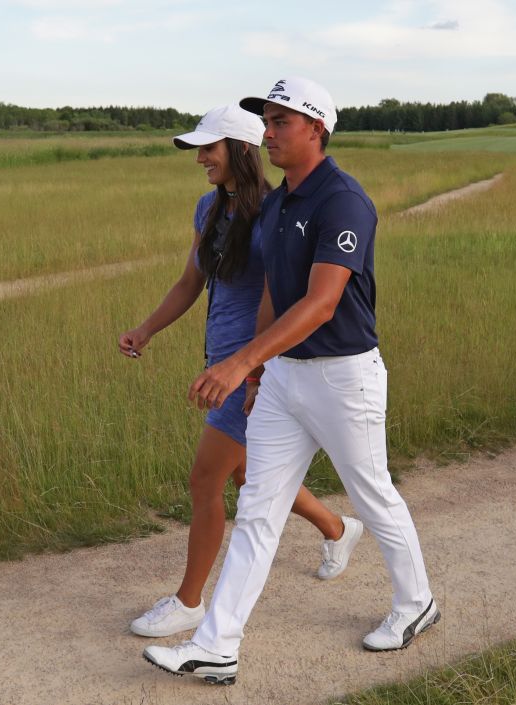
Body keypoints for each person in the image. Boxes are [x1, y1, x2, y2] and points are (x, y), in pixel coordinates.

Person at [143, 77, 438, 685]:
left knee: (373, 494)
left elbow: (323, 302)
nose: (269, 133)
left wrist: (240, 361)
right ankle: (217, 644)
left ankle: (417, 605)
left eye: (281, 122)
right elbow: (276, 294)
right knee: (256, 508)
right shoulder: (276, 204)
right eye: (266, 121)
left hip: (342, 375)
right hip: (281, 377)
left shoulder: (343, 200)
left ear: (316, 129)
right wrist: (258, 374)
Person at [119, 104, 363, 639]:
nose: (201, 158)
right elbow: (190, 282)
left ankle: (188, 603)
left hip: (252, 366)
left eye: (211, 147)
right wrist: (146, 329)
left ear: (242, 149)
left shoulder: (277, 213)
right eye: (199, 148)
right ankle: (338, 527)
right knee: (243, 473)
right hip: (222, 364)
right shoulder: (209, 208)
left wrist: (253, 368)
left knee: (205, 477)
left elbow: (295, 298)